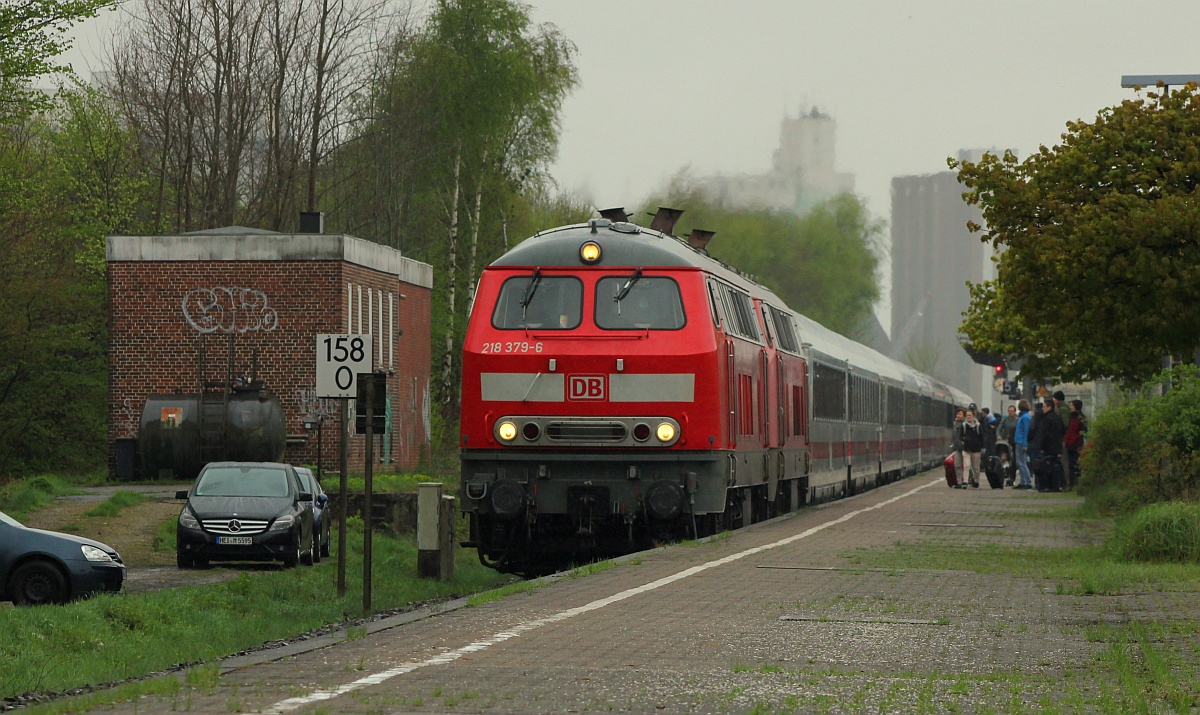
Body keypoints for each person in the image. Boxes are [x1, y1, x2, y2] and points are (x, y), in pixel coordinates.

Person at [1035, 398, 1065, 492]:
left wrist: (1041, 446)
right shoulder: (1057, 418)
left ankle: (1050, 486)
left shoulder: (1046, 419)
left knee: (1048, 467)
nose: (1043, 409)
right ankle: (1056, 485)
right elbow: (1063, 430)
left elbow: (1044, 434)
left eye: (1044, 407)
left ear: (1049, 407)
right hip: (1057, 445)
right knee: (1056, 466)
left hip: (1048, 446)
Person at [1064, 399, 1088, 490]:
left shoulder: (1079, 418)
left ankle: (1077, 483)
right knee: (1071, 464)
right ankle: (1072, 483)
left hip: (1076, 444)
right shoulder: (1072, 417)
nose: (1070, 407)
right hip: (1070, 444)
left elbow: (1082, 432)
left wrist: (1079, 444)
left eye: (1071, 405)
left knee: (1075, 464)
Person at [960, 409, 985, 488]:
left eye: (970, 415)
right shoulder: (964, 425)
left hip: (976, 449)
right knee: (966, 465)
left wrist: (983, 447)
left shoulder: (978, 425)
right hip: (966, 448)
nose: (968, 417)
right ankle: (965, 482)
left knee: (976, 467)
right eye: (967, 415)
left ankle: (976, 480)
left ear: (973, 416)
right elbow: (960, 436)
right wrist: (963, 442)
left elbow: (982, 437)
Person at [1013, 400, 1033, 489]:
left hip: (1021, 442)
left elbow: (1026, 431)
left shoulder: (1025, 417)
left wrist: (1025, 443)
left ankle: (1027, 481)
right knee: (1020, 462)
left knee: (1022, 462)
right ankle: (1023, 481)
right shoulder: (1023, 416)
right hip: (1019, 441)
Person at [951, 408, 966, 487]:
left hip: (965, 447)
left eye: (960, 414)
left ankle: (967, 480)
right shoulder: (955, 424)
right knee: (957, 464)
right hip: (957, 447)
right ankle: (959, 482)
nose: (958, 416)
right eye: (957, 414)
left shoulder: (965, 424)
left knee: (966, 465)